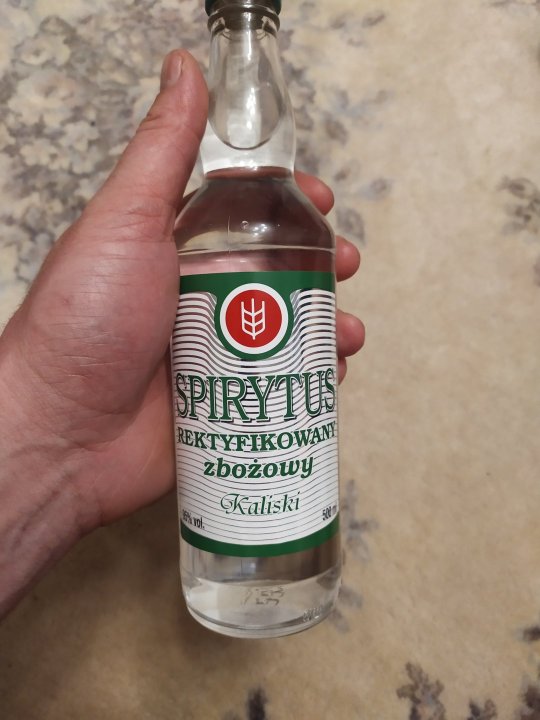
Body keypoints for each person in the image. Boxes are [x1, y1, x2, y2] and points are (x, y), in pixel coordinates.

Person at [0, 51, 365, 618]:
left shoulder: (254, 214)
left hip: (305, 540)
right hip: (211, 558)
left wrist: (52, 456)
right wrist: (50, 428)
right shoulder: (196, 219)